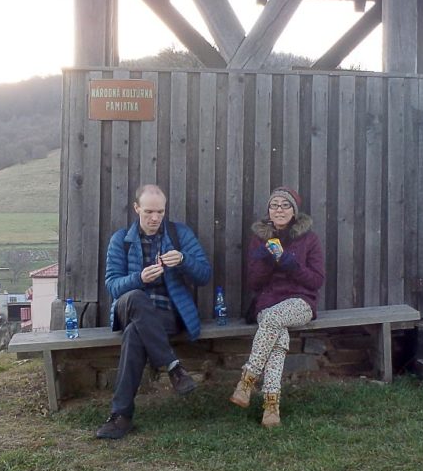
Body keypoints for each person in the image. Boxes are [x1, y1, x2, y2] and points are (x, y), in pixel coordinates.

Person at [96, 184, 212, 439]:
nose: (155, 218)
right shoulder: (121, 240)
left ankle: (121, 416)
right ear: (137, 208)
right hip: (129, 306)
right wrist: (139, 278)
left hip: (166, 314)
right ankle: (173, 367)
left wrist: (183, 260)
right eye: (148, 211)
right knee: (137, 298)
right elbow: (113, 286)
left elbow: (204, 275)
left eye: (160, 212)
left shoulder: (179, 234)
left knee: (134, 335)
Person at [229, 187, 325, 427]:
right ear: (268, 211)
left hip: (300, 302)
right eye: (274, 205)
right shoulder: (259, 240)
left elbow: (316, 281)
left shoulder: (309, 239)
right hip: (268, 302)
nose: (279, 210)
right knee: (277, 339)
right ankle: (271, 407)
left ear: (294, 211)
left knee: (272, 319)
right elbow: (253, 282)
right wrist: (266, 259)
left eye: (285, 205)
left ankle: (247, 380)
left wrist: (289, 263)